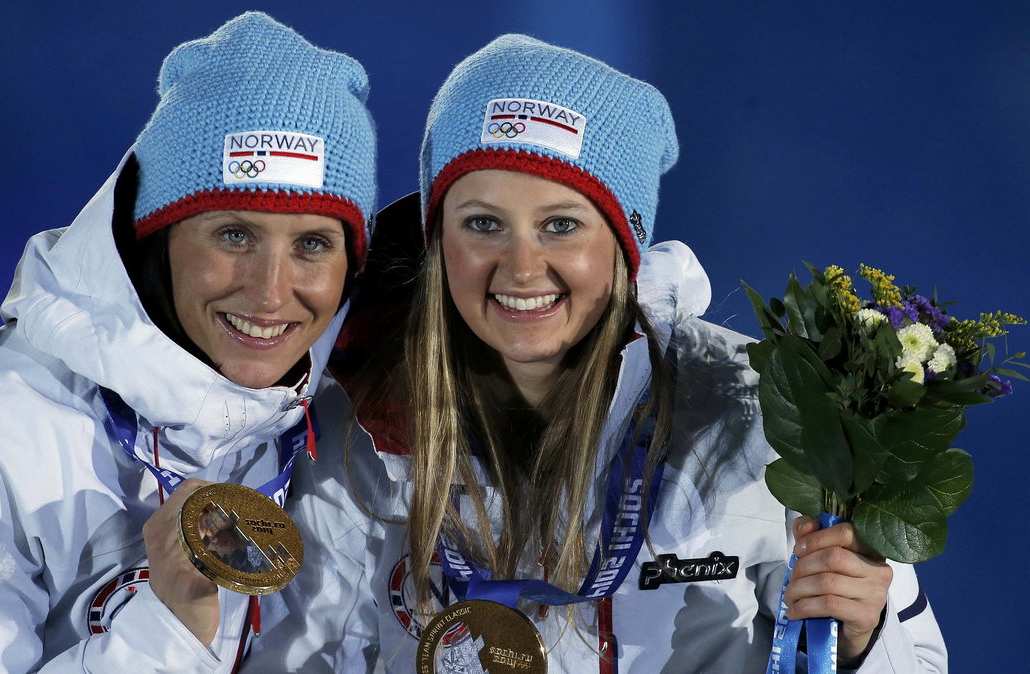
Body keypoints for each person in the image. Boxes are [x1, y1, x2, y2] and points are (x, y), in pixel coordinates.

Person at [247, 35, 947, 672]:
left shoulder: (765, 410)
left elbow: (917, 661)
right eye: (483, 224)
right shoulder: (346, 432)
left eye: (561, 225)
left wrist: (863, 638)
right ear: (436, 242)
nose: (522, 268)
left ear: (624, 242)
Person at [0, 12, 376, 673]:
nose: (270, 291)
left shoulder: (329, 422)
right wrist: (166, 634)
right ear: (155, 243)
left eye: (312, 244)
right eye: (234, 235)